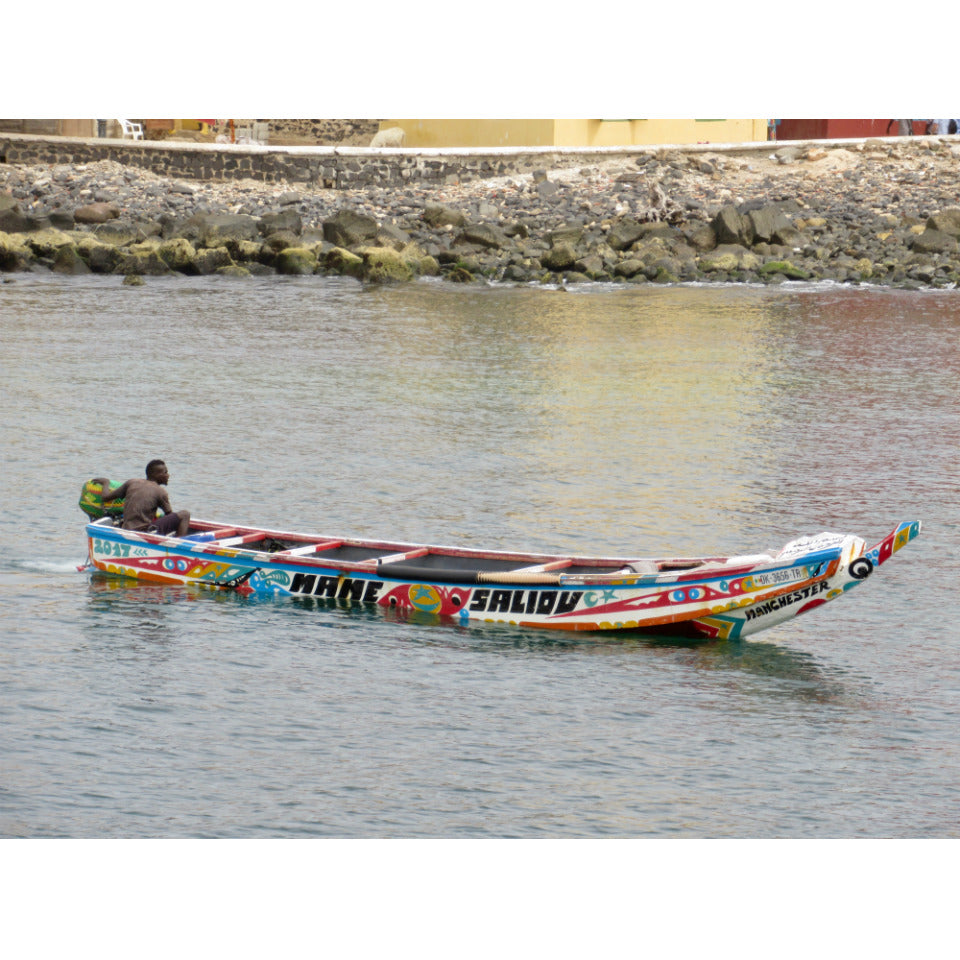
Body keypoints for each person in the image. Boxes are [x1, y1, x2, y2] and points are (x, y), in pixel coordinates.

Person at [99, 460, 191, 537]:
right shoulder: (160, 491)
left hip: (126, 529)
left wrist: (106, 482)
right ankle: (179, 547)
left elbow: (105, 497)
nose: (168, 475)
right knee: (185, 514)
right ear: (155, 474)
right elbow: (170, 516)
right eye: (165, 472)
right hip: (144, 533)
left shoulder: (132, 482)